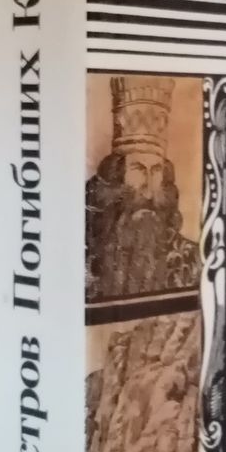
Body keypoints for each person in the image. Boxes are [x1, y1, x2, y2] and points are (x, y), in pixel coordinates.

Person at [85, 75, 199, 302]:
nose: (148, 185)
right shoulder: (85, 260)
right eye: (138, 169)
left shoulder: (192, 259)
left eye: (156, 171)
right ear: (116, 177)